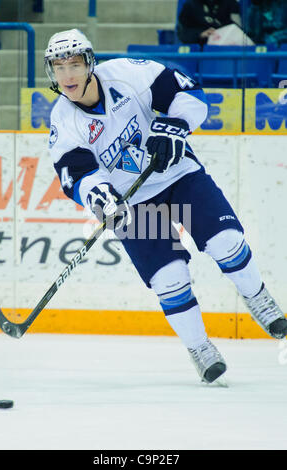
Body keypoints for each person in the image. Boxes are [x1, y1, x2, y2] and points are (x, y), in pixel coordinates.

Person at [44, 29, 287, 384]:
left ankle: (258, 299)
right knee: (169, 278)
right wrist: (102, 198)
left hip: (177, 174)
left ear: (90, 64)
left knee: (226, 242)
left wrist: (175, 125)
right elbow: (76, 176)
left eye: (75, 65)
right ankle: (200, 348)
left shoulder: (127, 74)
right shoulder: (62, 122)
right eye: (59, 67)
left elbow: (187, 91)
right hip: (133, 201)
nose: (67, 75)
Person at [177, 0, 242, 46]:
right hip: (201, 50)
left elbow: (238, 28)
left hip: (227, 48)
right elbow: (183, 33)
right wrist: (200, 34)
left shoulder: (230, 3)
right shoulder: (190, 5)